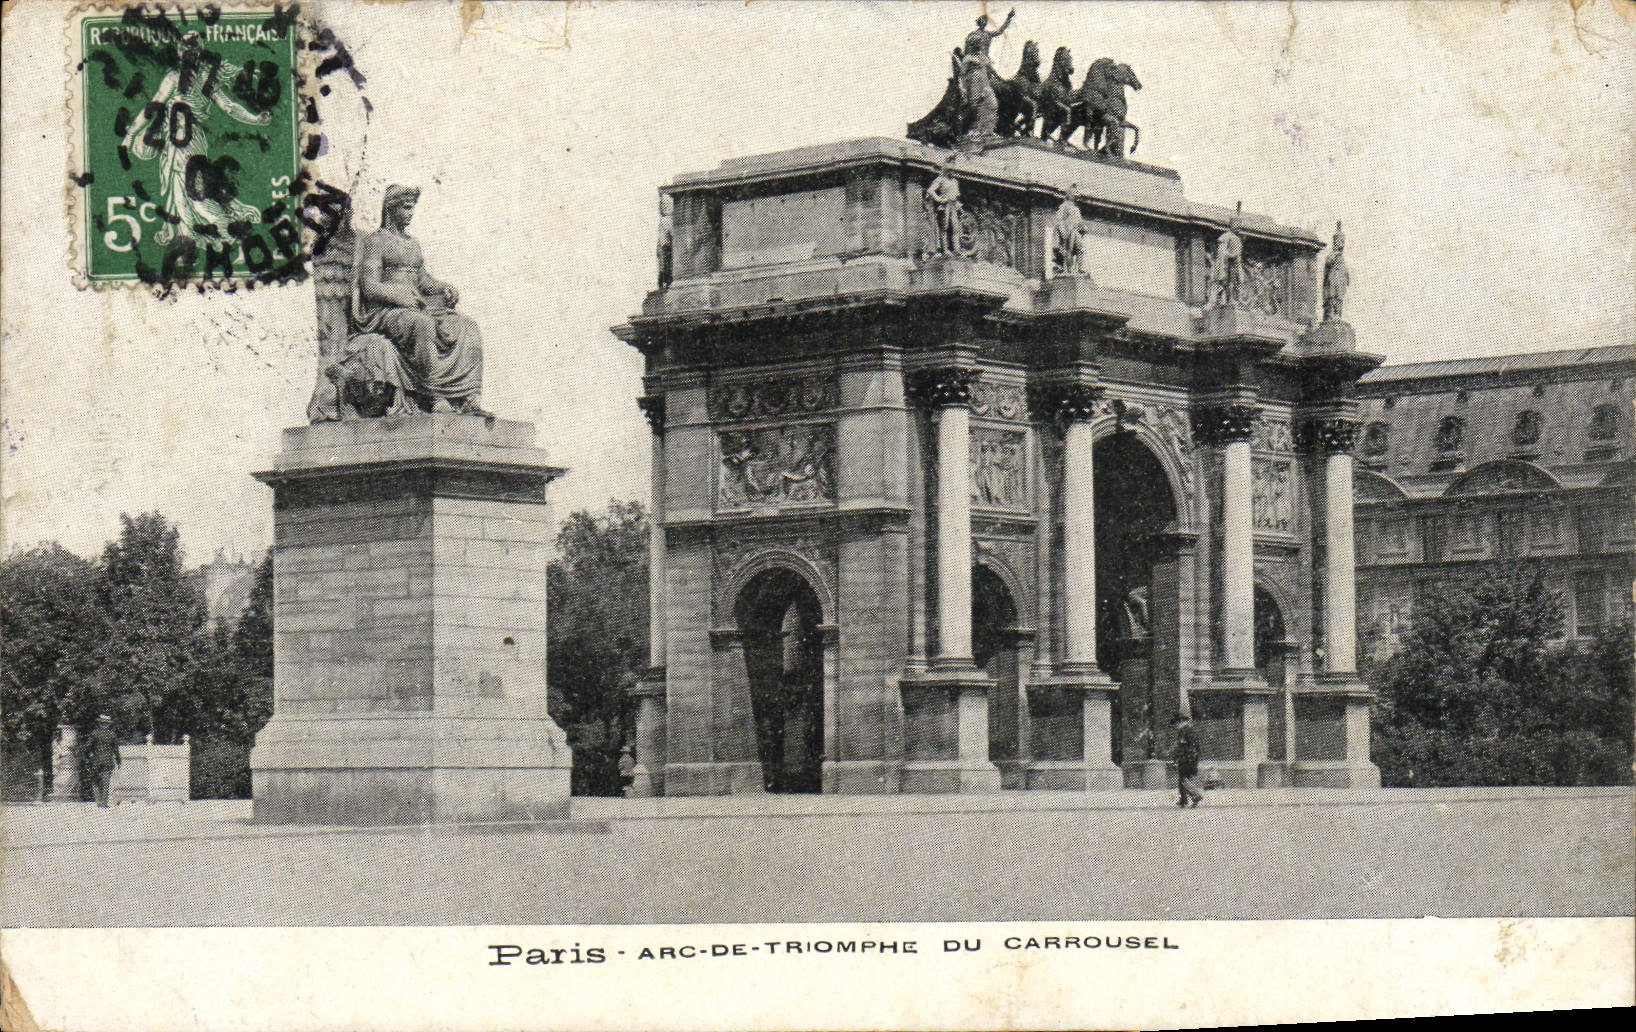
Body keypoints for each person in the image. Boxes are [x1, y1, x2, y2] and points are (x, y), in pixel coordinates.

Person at [121, 32, 272, 246]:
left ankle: (224, 228)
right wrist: (130, 136)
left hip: (188, 142)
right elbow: (153, 107)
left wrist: (255, 119)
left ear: (197, 53)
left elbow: (228, 107)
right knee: (184, 190)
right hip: (178, 142)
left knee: (193, 193)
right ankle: (192, 232)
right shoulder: (183, 78)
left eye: (191, 51)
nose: (188, 55)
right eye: (185, 50)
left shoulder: (196, 78)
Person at [355, 185, 486, 414]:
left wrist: (443, 287)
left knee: (468, 327)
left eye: (412, 208)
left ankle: (469, 397)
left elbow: (422, 280)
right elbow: (369, 285)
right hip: (386, 312)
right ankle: (436, 396)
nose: (410, 213)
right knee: (422, 325)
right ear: (390, 209)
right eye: (406, 207)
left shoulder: (412, 244)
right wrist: (398, 295)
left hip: (416, 307)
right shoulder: (376, 242)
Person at [82, 714, 121, 808]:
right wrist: (119, 761)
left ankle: (98, 801)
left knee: (95, 781)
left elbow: (87, 747)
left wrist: (86, 756)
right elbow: (116, 750)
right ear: (108, 724)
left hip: (96, 760)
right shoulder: (112, 735)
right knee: (106, 782)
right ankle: (104, 803)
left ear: (99, 723)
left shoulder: (95, 733)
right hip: (108, 761)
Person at [925, 160, 963, 255]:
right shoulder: (940, 179)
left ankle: (956, 249)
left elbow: (956, 195)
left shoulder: (955, 181)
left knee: (955, 227)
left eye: (952, 169)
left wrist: (959, 206)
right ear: (945, 169)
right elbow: (930, 190)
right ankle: (945, 249)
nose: (952, 172)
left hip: (953, 205)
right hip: (945, 205)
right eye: (950, 169)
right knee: (944, 227)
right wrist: (939, 199)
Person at [1172, 713, 1203, 807]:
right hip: (1188, 759)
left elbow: (1185, 747)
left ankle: (1194, 796)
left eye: (1177, 723)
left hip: (1187, 760)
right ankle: (1185, 799)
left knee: (1183, 780)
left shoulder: (1186, 732)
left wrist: (1181, 758)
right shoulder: (1187, 731)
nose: (1176, 726)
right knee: (1184, 780)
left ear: (1182, 722)